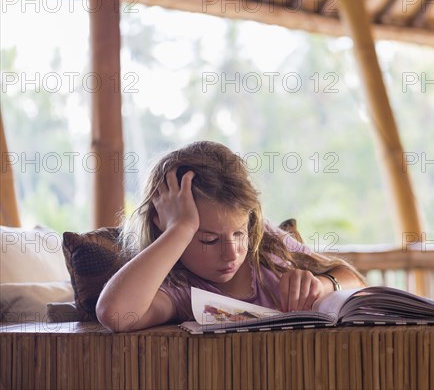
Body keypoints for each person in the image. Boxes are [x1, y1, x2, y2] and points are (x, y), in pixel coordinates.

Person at [96, 141, 366, 332]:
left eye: (239, 233)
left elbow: (356, 281)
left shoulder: (267, 246)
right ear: (162, 225)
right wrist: (180, 228)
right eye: (209, 240)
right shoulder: (178, 288)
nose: (232, 253)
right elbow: (117, 314)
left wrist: (323, 284)